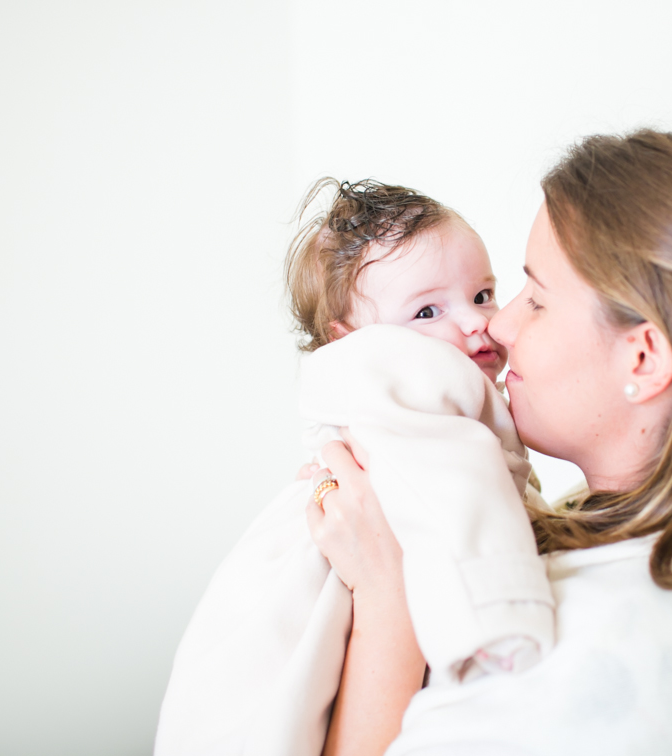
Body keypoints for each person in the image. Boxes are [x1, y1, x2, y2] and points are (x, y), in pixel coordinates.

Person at [309, 127, 672, 755]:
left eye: (536, 300)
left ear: (642, 359)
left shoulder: (613, 640)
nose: (497, 325)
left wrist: (388, 598)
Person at [154, 180, 555, 756]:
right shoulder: (406, 372)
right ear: (350, 339)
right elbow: (463, 501)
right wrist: (498, 619)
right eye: (426, 310)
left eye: (484, 294)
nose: (477, 323)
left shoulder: (412, 385)